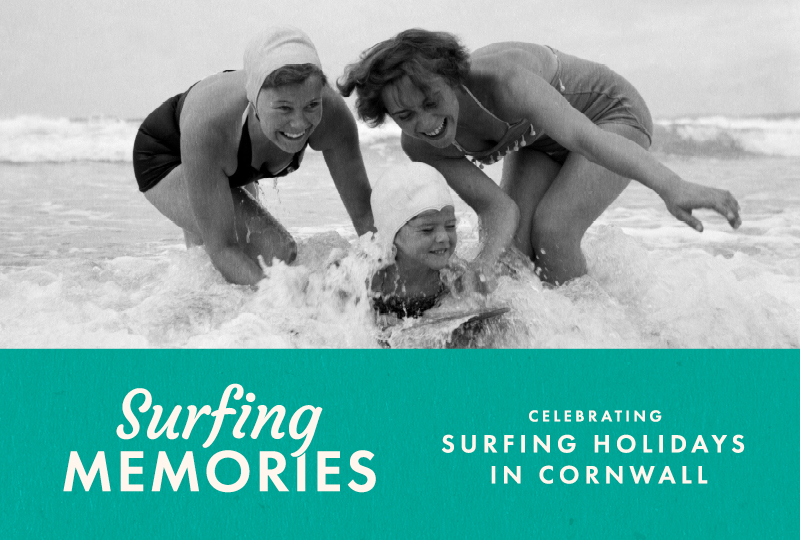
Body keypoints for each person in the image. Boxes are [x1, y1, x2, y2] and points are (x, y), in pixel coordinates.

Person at [338, 29, 741, 285]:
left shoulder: (506, 84)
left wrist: (672, 186)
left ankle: (590, 336)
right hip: (539, 144)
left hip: (608, 117)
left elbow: (586, 139)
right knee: (513, 251)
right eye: (406, 116)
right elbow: (498, 211)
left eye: (431, 101)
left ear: (454, 79)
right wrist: (483, 266)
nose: (425, 123)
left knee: (552, 232)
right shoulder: (421, 147)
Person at [133, 26, 373, 286]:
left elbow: (365, 218)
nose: (299, 123)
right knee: (275, 252)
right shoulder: (211, 125)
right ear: (254, 99)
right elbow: (224, 249)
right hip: (168, 155)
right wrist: (286, 306)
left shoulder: (332, 116)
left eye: (311, 106)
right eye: (284, 108)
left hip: (225, 162)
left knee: (215, 272)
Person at [370, 162, 456, 321]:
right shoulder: (372, 276)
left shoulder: (452, 277)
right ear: (393, 235)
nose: (444, 236)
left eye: (450, 225)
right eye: (427, 229)